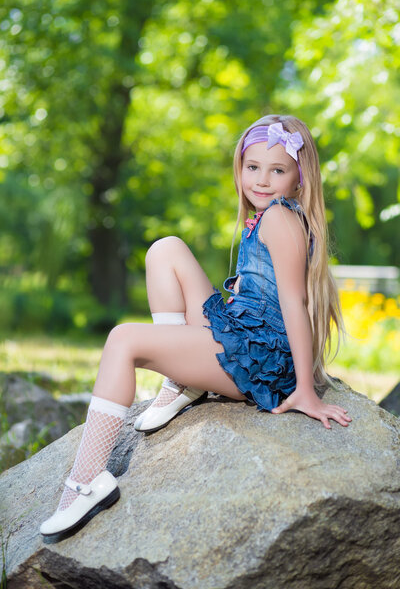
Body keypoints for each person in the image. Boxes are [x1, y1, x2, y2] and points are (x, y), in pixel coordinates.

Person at [40, 114, 352, 540]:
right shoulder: (270, 215)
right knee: (165, 249)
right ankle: (181, 383)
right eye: (252, 167)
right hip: (242, 333)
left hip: (257, 356)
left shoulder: (280, 217)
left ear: (300, 176)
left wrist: (304, 390)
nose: (261, 180)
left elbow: (295, 305)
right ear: (239, 168)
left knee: (122, 339)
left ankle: (86, 481)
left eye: (277, 170)